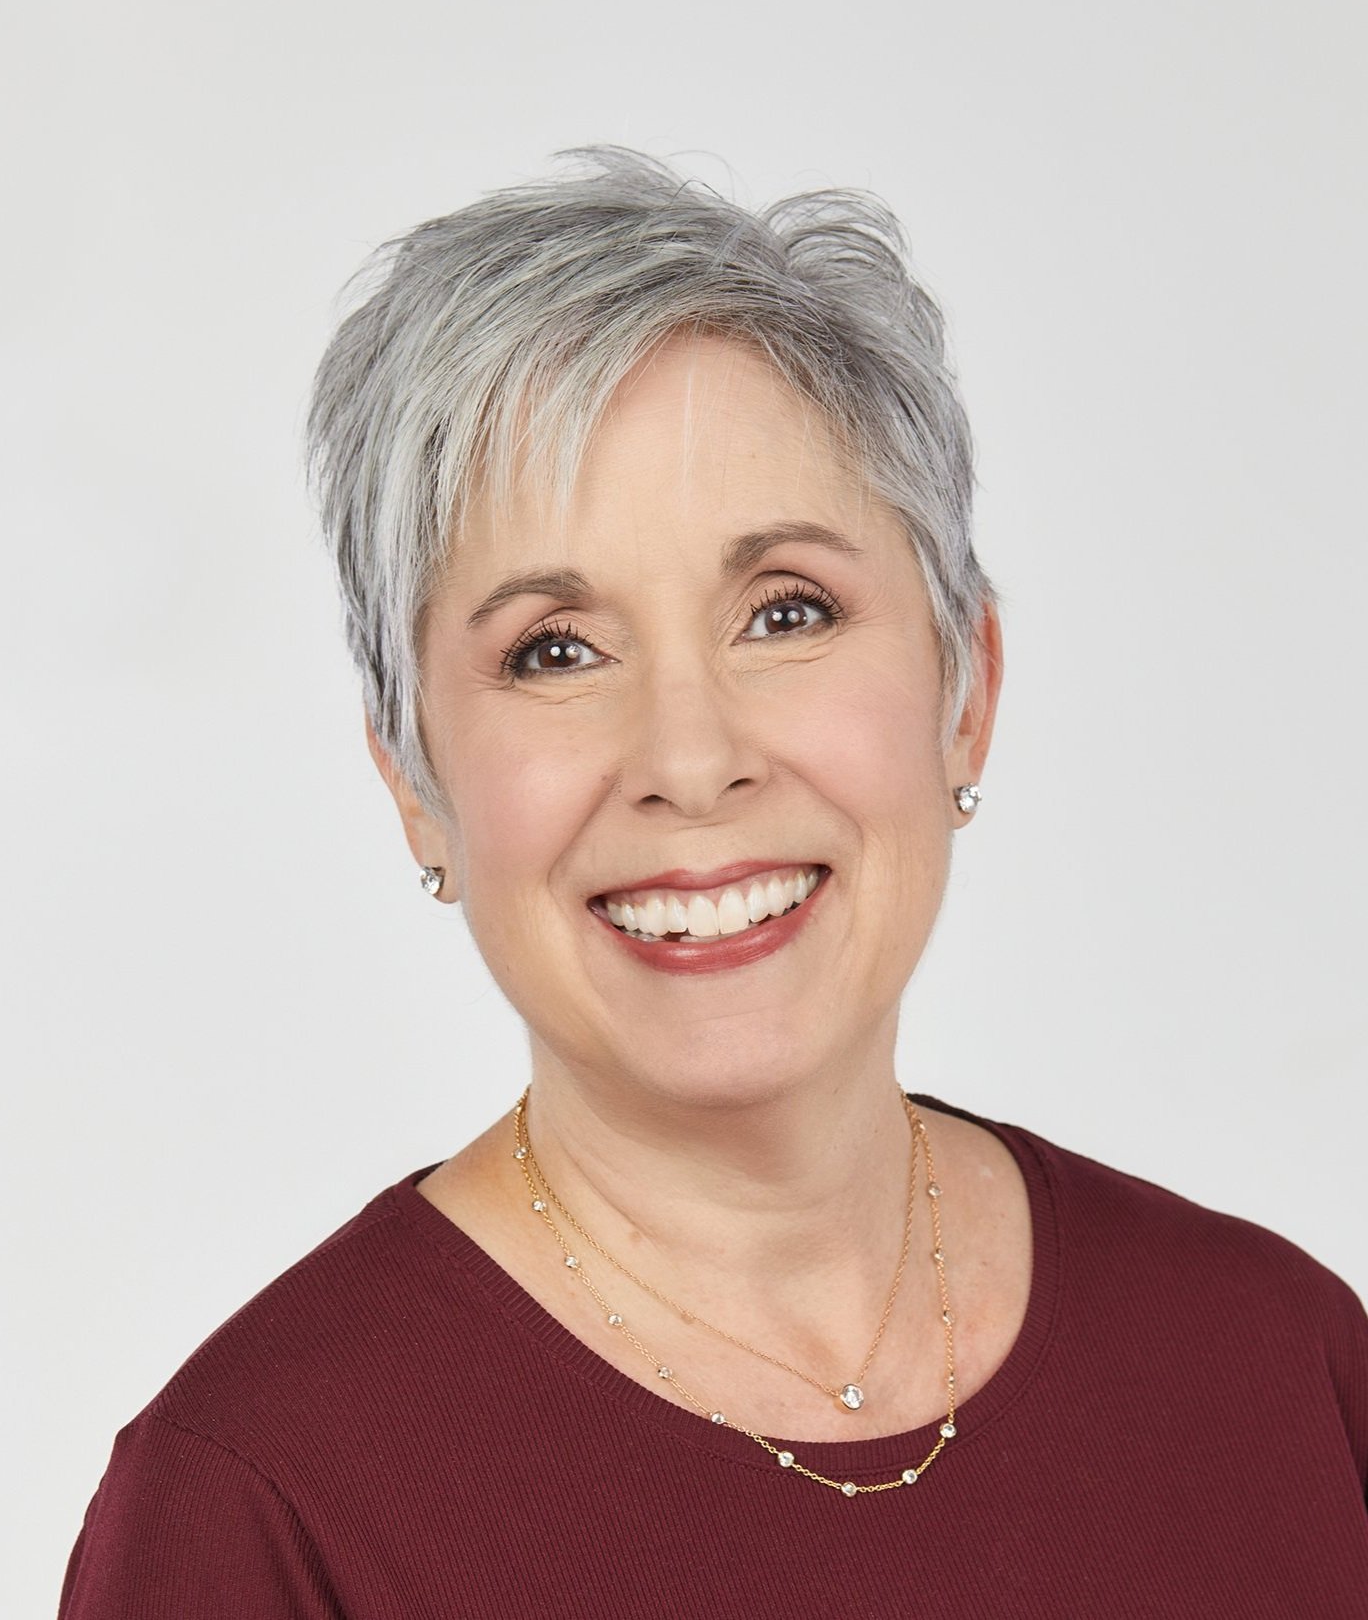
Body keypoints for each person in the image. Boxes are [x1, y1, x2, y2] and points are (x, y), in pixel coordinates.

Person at [59, 147, 1368, 1617]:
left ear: (968, 692)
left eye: (785, 611)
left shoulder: (1282, 1363)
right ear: (413, 784)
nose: (689, 759)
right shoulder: (258, 1508)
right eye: (555, 649)